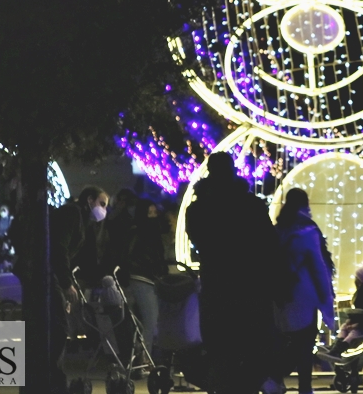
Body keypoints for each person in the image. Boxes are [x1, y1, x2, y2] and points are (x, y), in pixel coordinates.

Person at [186, 152, 280, 394]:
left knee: (220, 351)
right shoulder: (251, 205)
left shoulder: (198, 209)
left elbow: (199, 240)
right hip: (251, 286)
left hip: (216, 286)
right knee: (251, 349)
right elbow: (269, 244)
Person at [46, 185, 111, 393]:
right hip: (49, 275)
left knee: (56, 327)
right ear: (90, 200)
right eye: (101, 203)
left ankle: (53, 378)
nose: (103, 209)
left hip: (52, 275)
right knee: (58, 328)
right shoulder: (73, 213)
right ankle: (53, 379)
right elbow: (60, 248)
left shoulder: (81, 218)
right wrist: (66, 283)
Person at [271, 188, 335, 394]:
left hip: (280, 294)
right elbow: (318, 266)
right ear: (305, 204)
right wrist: (326, 297)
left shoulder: (278, 229)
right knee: (305, 343)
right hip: (304, 295)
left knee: (284, 341)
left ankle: (274, 379)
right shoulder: (308, 230)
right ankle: (304, 388)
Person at [116, 199, 168, 365]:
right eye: (150, 213)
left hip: (140, 278)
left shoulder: (137, 231)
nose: (153, 217)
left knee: (142, 319)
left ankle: (140, 355)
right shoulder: (143, 232)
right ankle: (145, 357)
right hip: (142, 278)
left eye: (154, 213)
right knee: (151, 318)